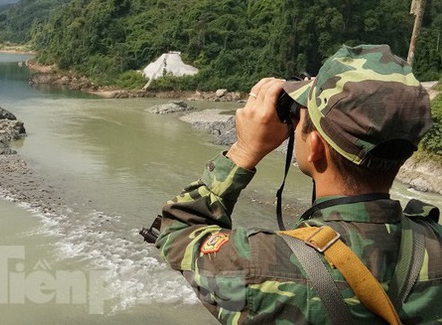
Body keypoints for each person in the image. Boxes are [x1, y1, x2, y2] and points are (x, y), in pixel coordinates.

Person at [156, 44, 442, 324]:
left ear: (315, 146)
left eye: (300, 116)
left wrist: (244, 151)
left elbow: (178, 229)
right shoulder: (434, 241)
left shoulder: (263, 264)